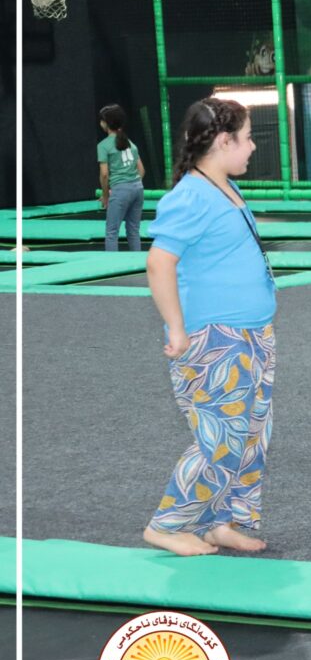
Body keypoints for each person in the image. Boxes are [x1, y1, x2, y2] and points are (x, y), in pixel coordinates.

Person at [143, 97, 276, 556]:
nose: (253, 146)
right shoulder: (191, 196)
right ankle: (167, 524)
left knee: (251, 435)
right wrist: (177, 328)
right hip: (216, 338)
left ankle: (224, 520)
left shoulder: (223, 187)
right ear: (223, 141)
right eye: (247, 138)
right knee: (220, 438)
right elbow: (159, 263)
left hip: (252, 333)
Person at [97, 103, 145, 252]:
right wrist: (133, 185)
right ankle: (137, 262)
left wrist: (106, 195)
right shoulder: (130, 143)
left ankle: (111, 263)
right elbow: (141, 170)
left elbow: (104, 174)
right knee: (133, 230)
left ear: (105, 123)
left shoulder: (104, 145)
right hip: (138, 188)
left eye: (102, 120)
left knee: (111, 232)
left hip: (121, 189)